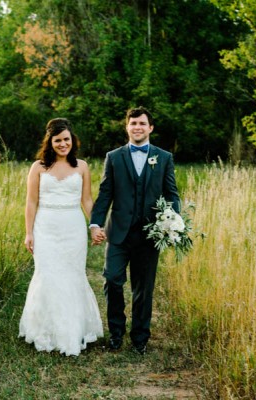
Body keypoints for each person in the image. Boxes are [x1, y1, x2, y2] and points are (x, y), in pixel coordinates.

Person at [90, 107, 180, 355]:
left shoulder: (163, 158)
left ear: (150, 128)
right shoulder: (114, 157)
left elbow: (172, 194)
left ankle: (140, 337)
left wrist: (172, 222)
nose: (137, 127)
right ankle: (116, 334)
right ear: (127, 127)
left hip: (150, 235)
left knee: (143, 288)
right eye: (133, 123)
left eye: (142, 123)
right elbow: (105, 192)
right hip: (118, 233)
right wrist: (95, 223)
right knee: (112, 280)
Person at [19, 118, 103, 356]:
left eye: (66, 139)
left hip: (73, 228)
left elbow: (86, 200)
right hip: (45, 228)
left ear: (72, 140)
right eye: (58, 140)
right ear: (50, 142)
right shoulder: (38, 167)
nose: (63, 144)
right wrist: (29, 233)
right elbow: (31, 202)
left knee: (71, 275)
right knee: (47, 274)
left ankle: (72, 332)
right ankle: (45, 331)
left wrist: (94, 225)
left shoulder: (82, 166)